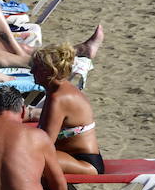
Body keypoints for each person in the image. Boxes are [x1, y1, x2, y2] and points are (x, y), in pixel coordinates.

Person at [31, 43, 102, 176]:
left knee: (29, 158)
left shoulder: (59, 98)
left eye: (36, 67)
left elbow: (46, 142)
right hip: (71, 156)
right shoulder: (57, 91)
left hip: (84, 163)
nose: (31, 71)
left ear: (50, 70)